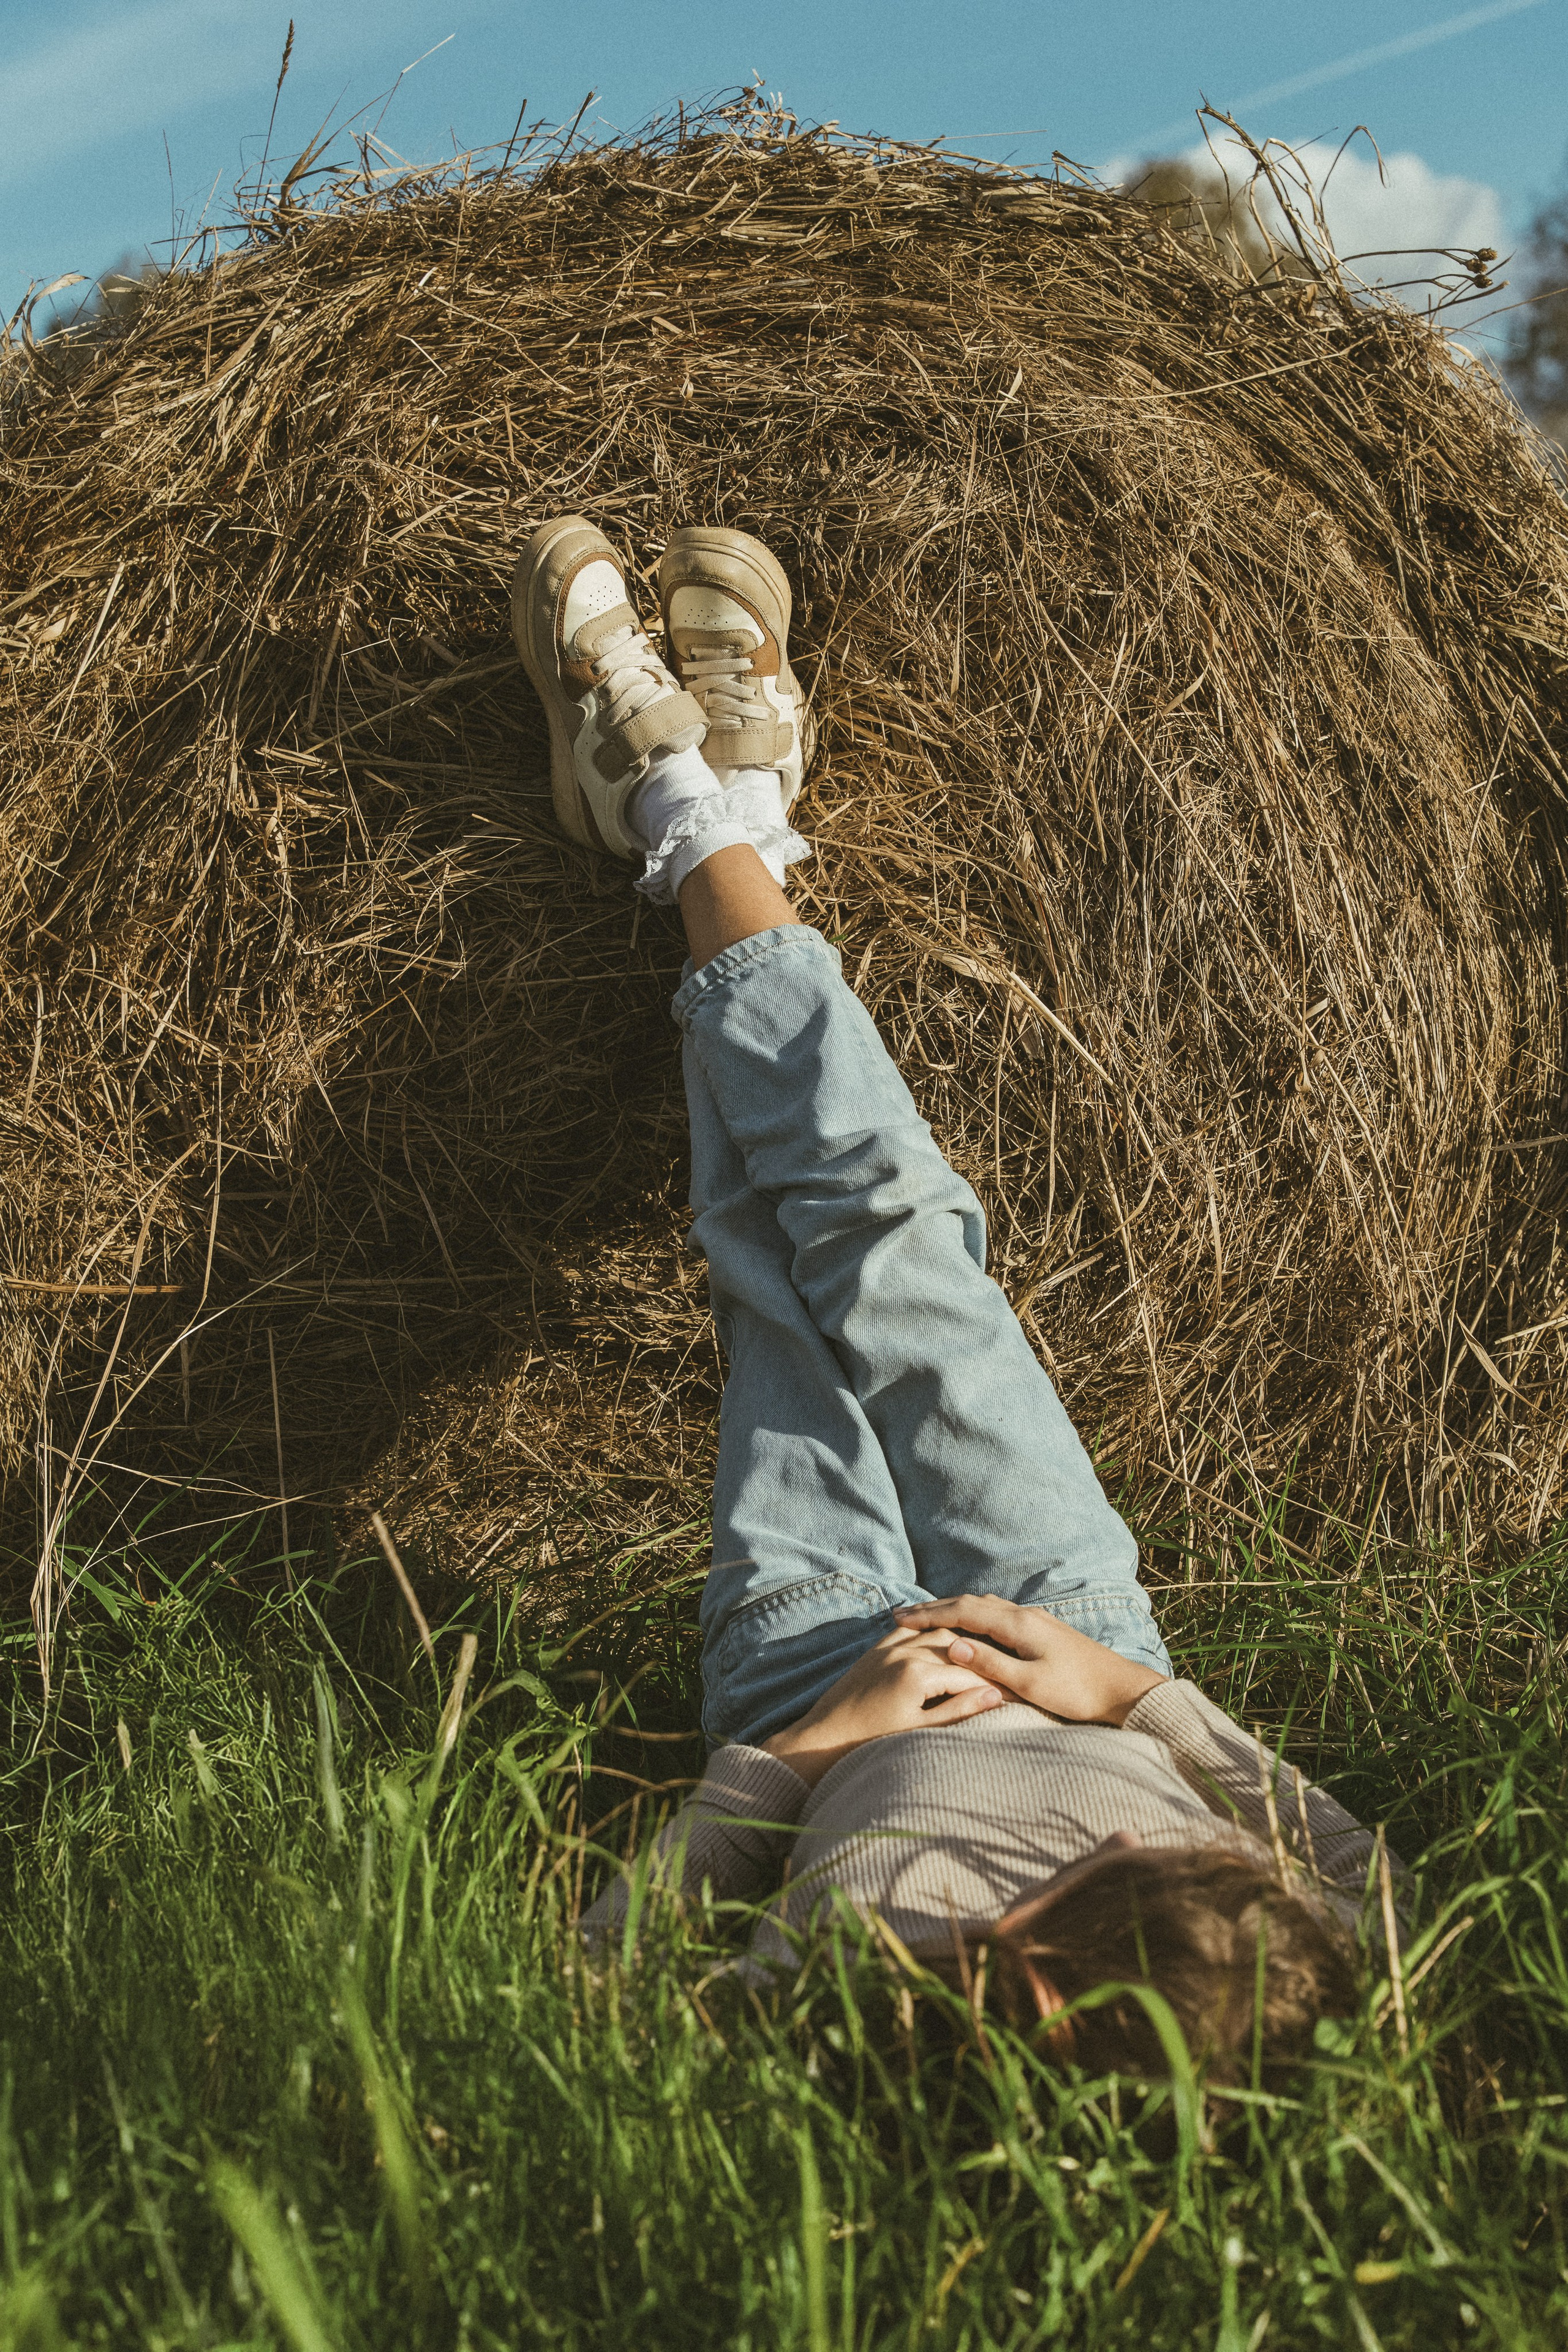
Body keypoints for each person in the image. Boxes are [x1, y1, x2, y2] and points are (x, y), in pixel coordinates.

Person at [512, 516, 1384, 2079]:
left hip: (808, 1665)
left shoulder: (857, 2009)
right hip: (1060, 1615)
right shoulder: (1279, 1968)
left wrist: (804, 1753)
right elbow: (1385, 1897)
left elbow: (598, 1997)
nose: (1059, 1857)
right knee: (898, 1230)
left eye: (1052, 1893)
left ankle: (703, 805)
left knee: (764, 1263)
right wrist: (1131, 1704)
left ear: (1026, 1983)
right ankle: (685, 805)